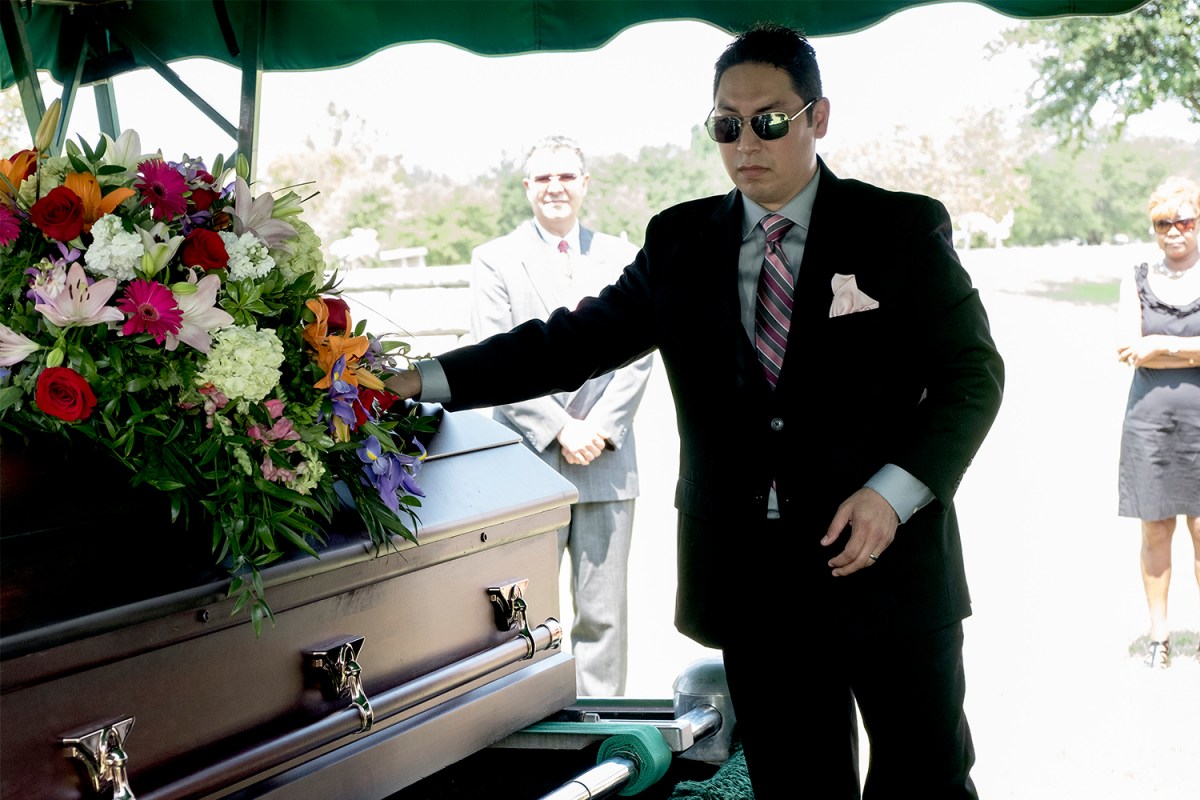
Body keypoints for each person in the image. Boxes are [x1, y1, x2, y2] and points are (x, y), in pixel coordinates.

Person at [386, 23, 1003, 798]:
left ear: (819, 117)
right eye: (727, 125)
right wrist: (421, 380)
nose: (748, 142)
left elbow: (972, 378)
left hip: (889, 568)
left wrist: (895, 491)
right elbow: (565, 344)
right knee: (797, 788)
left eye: (770, 120)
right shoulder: (680, 243)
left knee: (927, 781)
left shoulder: (901, 229)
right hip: (755, 586)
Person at [468, 135, 652, 696]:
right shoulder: (494, 259)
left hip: (606, 460)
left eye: (567, 177)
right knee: (521, 615)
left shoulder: (623, 255)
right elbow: (492, 356)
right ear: (527, 187)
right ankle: (529, 719)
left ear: (585, 184)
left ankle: (602, 734)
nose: (555, 188)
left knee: (603, 617)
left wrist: (598, 428)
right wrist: (559, 427)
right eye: (543, 178)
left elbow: (641, 353)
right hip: (528, 463)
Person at [1116, 175, 1200, 670]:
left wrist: (1162, 346)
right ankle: (1160, 637)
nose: (1174, 231)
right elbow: (1129, 348)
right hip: (1149, 424)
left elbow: (1147, 348)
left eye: (1184, 220)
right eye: (1162, 222)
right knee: (1155, 531)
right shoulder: (1137, 277)